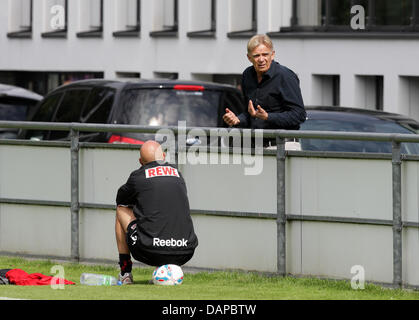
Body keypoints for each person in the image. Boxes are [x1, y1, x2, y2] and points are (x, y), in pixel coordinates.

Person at [115, 140, 198, 284]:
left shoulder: (137, 177)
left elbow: (121, 199)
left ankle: (125, 272)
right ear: (164, 156)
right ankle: (163, 271)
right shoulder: (178, 174)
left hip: (150, 250)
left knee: (121, 209)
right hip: (185, 251)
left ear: (140, 161)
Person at [223, 34, 306, 146]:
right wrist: (237, 119)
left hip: (283, 145)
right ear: (249, 58)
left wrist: (268, 116)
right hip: (256, 145)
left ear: (272, 55)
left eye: (265, 54)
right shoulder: (247, 75)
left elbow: (299, 115)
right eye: (256, 55)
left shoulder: (285, 76)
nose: (261, 59)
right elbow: (250, 114)